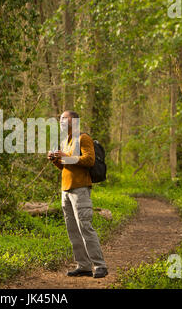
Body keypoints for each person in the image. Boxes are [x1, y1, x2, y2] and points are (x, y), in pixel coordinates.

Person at [47, 110, 108, 278]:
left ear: (73, 121)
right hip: (65, 190)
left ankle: (100, 265)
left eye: (63, 119)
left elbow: (89, 160)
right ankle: (83, 265)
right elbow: (66, 166)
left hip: (80, 189)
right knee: (72, 230)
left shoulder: (83, 138)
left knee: (85, 227)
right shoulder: (65, 141)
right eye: (59, 119)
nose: (60, 121)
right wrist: (56, 160)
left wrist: (65, 155)